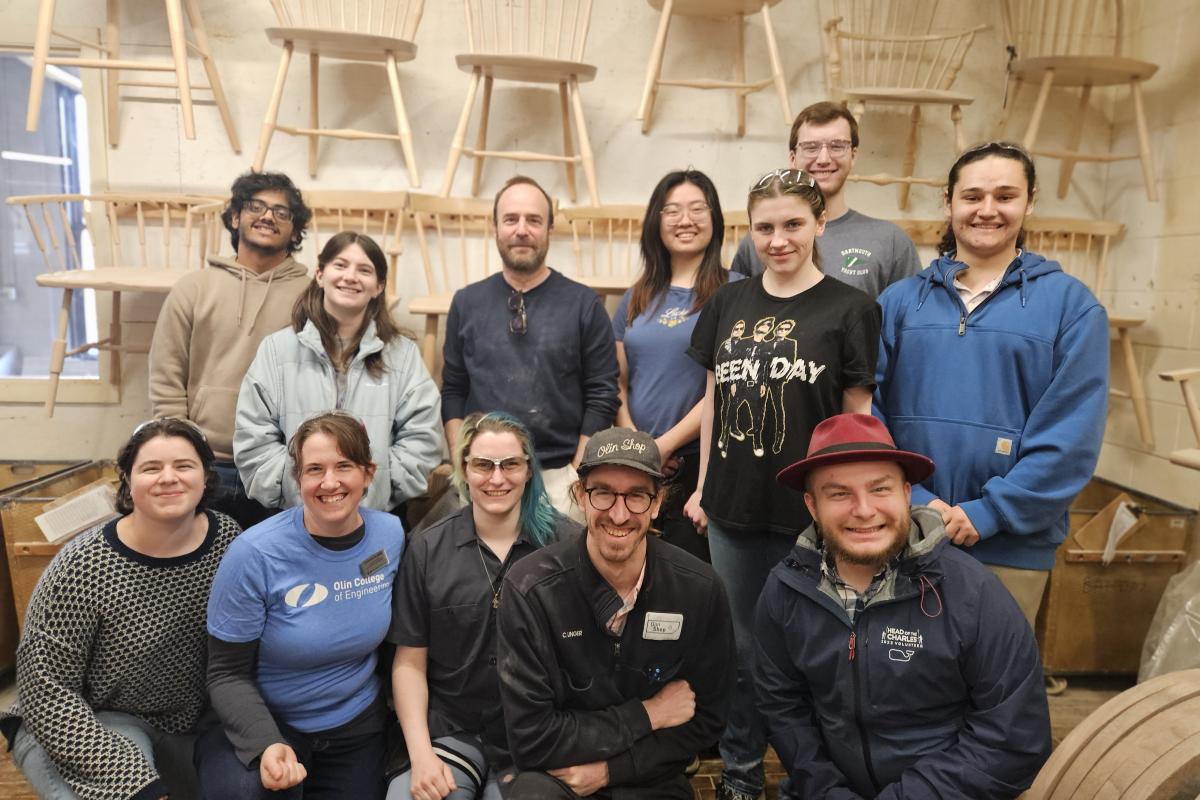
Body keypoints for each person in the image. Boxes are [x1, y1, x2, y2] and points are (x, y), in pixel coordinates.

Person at [684, 168, 881, 800]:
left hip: (810, 514)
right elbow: (713, 400)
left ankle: (811, 776)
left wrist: (850, 507)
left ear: (820, 223)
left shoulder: (852, 309)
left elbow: (857, 421)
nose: (779, 239)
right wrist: (702, 488)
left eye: (793, 224)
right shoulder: (728, 303)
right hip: (733, 510)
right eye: (764, 227)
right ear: (750, 231)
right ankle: (741, 774)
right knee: (742, 651)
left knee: (813, 648)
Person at [874, 141, 1109, 631]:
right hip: (901, 535)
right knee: (897, 683)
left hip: (1012, 548)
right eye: (972, 196)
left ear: (1029, 201)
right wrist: (912, 499)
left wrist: (992, 511)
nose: (987, 210)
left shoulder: (1072, 307)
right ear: (948, 203)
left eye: (1004, 196)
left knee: (994, 691)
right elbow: (865, 413)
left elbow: (1071, 434)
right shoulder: (898, 303)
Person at [756, 413, 1052, 799]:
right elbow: (781, 705)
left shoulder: (973, 594)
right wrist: (825, 789)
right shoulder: (785, 592)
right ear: (812, 506)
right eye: (839, 493)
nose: (863, 510)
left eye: (880, 489)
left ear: (907, 494)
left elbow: (1016, 737)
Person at [1, 418, 239, 800]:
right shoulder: (83, 566)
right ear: (127, 480)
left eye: (183, 465)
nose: (168, 478)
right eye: (150, 468)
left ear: (206, 476)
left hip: (181, 725)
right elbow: (45, 691)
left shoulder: (228, 540)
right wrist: (133, 783)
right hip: (81, 721)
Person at [497, 427, 734, 799]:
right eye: (603, 493)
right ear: (580, 496)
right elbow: (531, 738)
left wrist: (611, 771)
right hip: (560, 777)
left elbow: (706, 718)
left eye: (637, 495)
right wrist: (650, 713)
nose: (619, 515)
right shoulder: (530, 590)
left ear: (657, 503)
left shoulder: (699, 589)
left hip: (651, 777)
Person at [195, 412, 405, 800]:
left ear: (368, 473)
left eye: (344, 466)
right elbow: (225, 674)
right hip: (267, 722)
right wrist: (265, 743)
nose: (330, 482)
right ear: (298, 479)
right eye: (314, 469)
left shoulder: (389, 536)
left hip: (356, 729)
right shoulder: (255, 553)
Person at [387, 411, 581, 800]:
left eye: (510, 464)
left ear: (529, 470)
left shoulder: (569, 546)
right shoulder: (427, 548)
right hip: (450, 731)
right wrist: (421, 755)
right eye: (483, 465)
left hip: (537, 734)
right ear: (464, 470)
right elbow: (410, 662)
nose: (496, 478)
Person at [441, 175, 620, 518]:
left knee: (558, 573)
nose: (521, 230)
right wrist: (462, 462)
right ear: (494, 227)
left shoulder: (584, 304)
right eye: (511, 219)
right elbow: (453, 389)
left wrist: (577, 474)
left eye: (534, 220)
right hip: (484, 478)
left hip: (559, 480)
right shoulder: (466, 303)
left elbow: (602, 392)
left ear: (550, 229)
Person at [234, 230, 442, 516]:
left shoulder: (403, 355)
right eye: (340, 265)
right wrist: (292, 484)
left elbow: (424, 435)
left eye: (364, 270)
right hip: (292, 516)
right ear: (320, 274)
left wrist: (379, 485)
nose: (351, 276)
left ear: (379, 286)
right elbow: (253, 435)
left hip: (375, 517)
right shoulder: (276, 350)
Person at [150, 170, 313, 528]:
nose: (268, 216)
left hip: (280, 463)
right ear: (236, 218)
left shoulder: (312, 297)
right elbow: (167, 376)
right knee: (200, 575)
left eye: (281, 212)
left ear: (296, 232)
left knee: (273, 576)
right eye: (256, 207)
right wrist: (183, 453)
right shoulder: (192, 289)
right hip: (208, 464)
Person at [612, 169, 741, 561]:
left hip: (696, 468)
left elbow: (727, 386)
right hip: (634, 462)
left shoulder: (736, 292)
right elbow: (616, 379)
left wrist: (661, 447)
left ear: (714, 219)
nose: (685, 220)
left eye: (697, 209)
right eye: (672, 210)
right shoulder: (636, 296)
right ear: (657, 221)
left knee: (683, 585)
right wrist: (636, 443)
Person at [731, 101, 920, 299]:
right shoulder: (760, 241)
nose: (823, 159)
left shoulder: (890, 242)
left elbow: (910, 323)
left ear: (853, 155)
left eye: (837, 146)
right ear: (792, 158)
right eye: (811, 147)